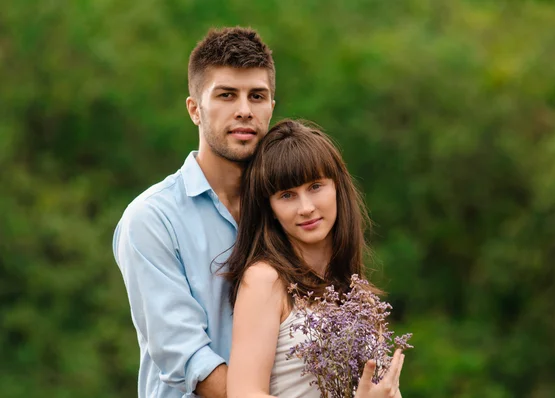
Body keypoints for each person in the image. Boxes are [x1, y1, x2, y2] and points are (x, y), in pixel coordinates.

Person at [112, 26, 276, 398]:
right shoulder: (151, 219)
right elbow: (186, 357)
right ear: (194, 109)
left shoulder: (287, 209)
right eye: (226, 95)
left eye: (257, 96)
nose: (244, 110)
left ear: (271, 107)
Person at [223, 119, 405, 397]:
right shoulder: (265, 280)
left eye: (316, 186)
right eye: (287, 195)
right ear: (269, 208)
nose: (306, 208)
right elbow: (244, 392)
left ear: (337, 187)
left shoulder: (361, 298)